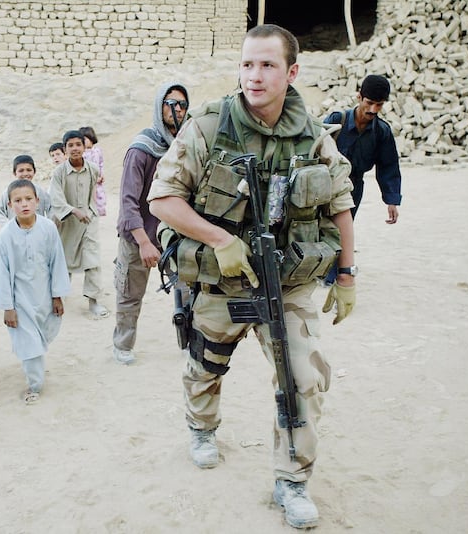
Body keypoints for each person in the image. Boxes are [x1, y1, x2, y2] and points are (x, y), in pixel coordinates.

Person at [148, 25, 356, 529]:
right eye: (247, 64)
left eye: (267, 65)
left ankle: (292, 481)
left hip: (287, 282)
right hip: (221, 281)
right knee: (206, 365)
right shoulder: (207, 127)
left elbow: (340, 202)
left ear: (291, 71)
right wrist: (221, 240)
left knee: (302, 379)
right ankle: (201, 428)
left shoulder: (313, 133)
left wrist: (347, 274)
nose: (254, 76)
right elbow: (162, 199)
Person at [112, 81, 189, 365]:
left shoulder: (184, 145)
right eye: (171, 103)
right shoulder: (141, 148)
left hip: (176, 235)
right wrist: (143, 241)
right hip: (139, 236)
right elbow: (128, 200)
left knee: (187, 291)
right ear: (159, 107)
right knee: (129, 294)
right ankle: (123, 344)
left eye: (182, 104)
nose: (177, 110)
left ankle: (189, 340)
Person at [0, 180, 70, 404]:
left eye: (28, 199)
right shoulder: (6, 235)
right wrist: (8, 307)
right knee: (28, 343)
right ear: (10, 205)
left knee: (42, 336)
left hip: (44, 294)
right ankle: (35, 385)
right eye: (18, 201)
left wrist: (57, 295)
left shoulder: (48, 228)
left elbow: (57, 263)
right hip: (20, 299)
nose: (24, 204)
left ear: (37, 201)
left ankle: (34, 367)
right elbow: (3, 272)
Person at [322, 74, 402, 285]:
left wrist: (391, 199)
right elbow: (312, 148)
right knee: (318, 228)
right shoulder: (336, 121)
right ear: (359, 97)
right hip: (326, 185)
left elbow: (388, 165)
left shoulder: (382, 132)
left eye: (379, 105)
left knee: (341, 231)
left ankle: (333, 277)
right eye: (369, 103)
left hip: (353, 188)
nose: (373, 110)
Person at [49, 130, 109, 318]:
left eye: (78, 144)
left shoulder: (92, 168)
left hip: (89, 220)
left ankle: (94, 301)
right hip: (67, 223)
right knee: (64, 261)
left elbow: (93, 191)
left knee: (92, 259)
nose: (75, 148)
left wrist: (90, 211)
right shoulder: (59, 172)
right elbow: (56, 199)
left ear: (84, 147)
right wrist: (74, 211)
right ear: (65, 149)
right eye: (70, 145)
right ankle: (59, 298)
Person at [0, 155, 51, 226]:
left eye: (29, 170)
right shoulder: (8, 192)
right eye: (21, 171)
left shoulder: (40, 192)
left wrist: (47, 225)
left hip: (37, 231)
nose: (25, 174)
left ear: (34, 171)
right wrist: (8, 225)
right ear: (15, 173)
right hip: (15, 233)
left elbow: (51, 208)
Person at [79, 126, 107, 217]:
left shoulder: (97, 151)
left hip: (98, 178)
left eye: (85, 139)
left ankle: (99, 211)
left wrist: (102, 174)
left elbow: (101, 163)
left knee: (100, 196)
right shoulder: (82, 153)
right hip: (88, 180)